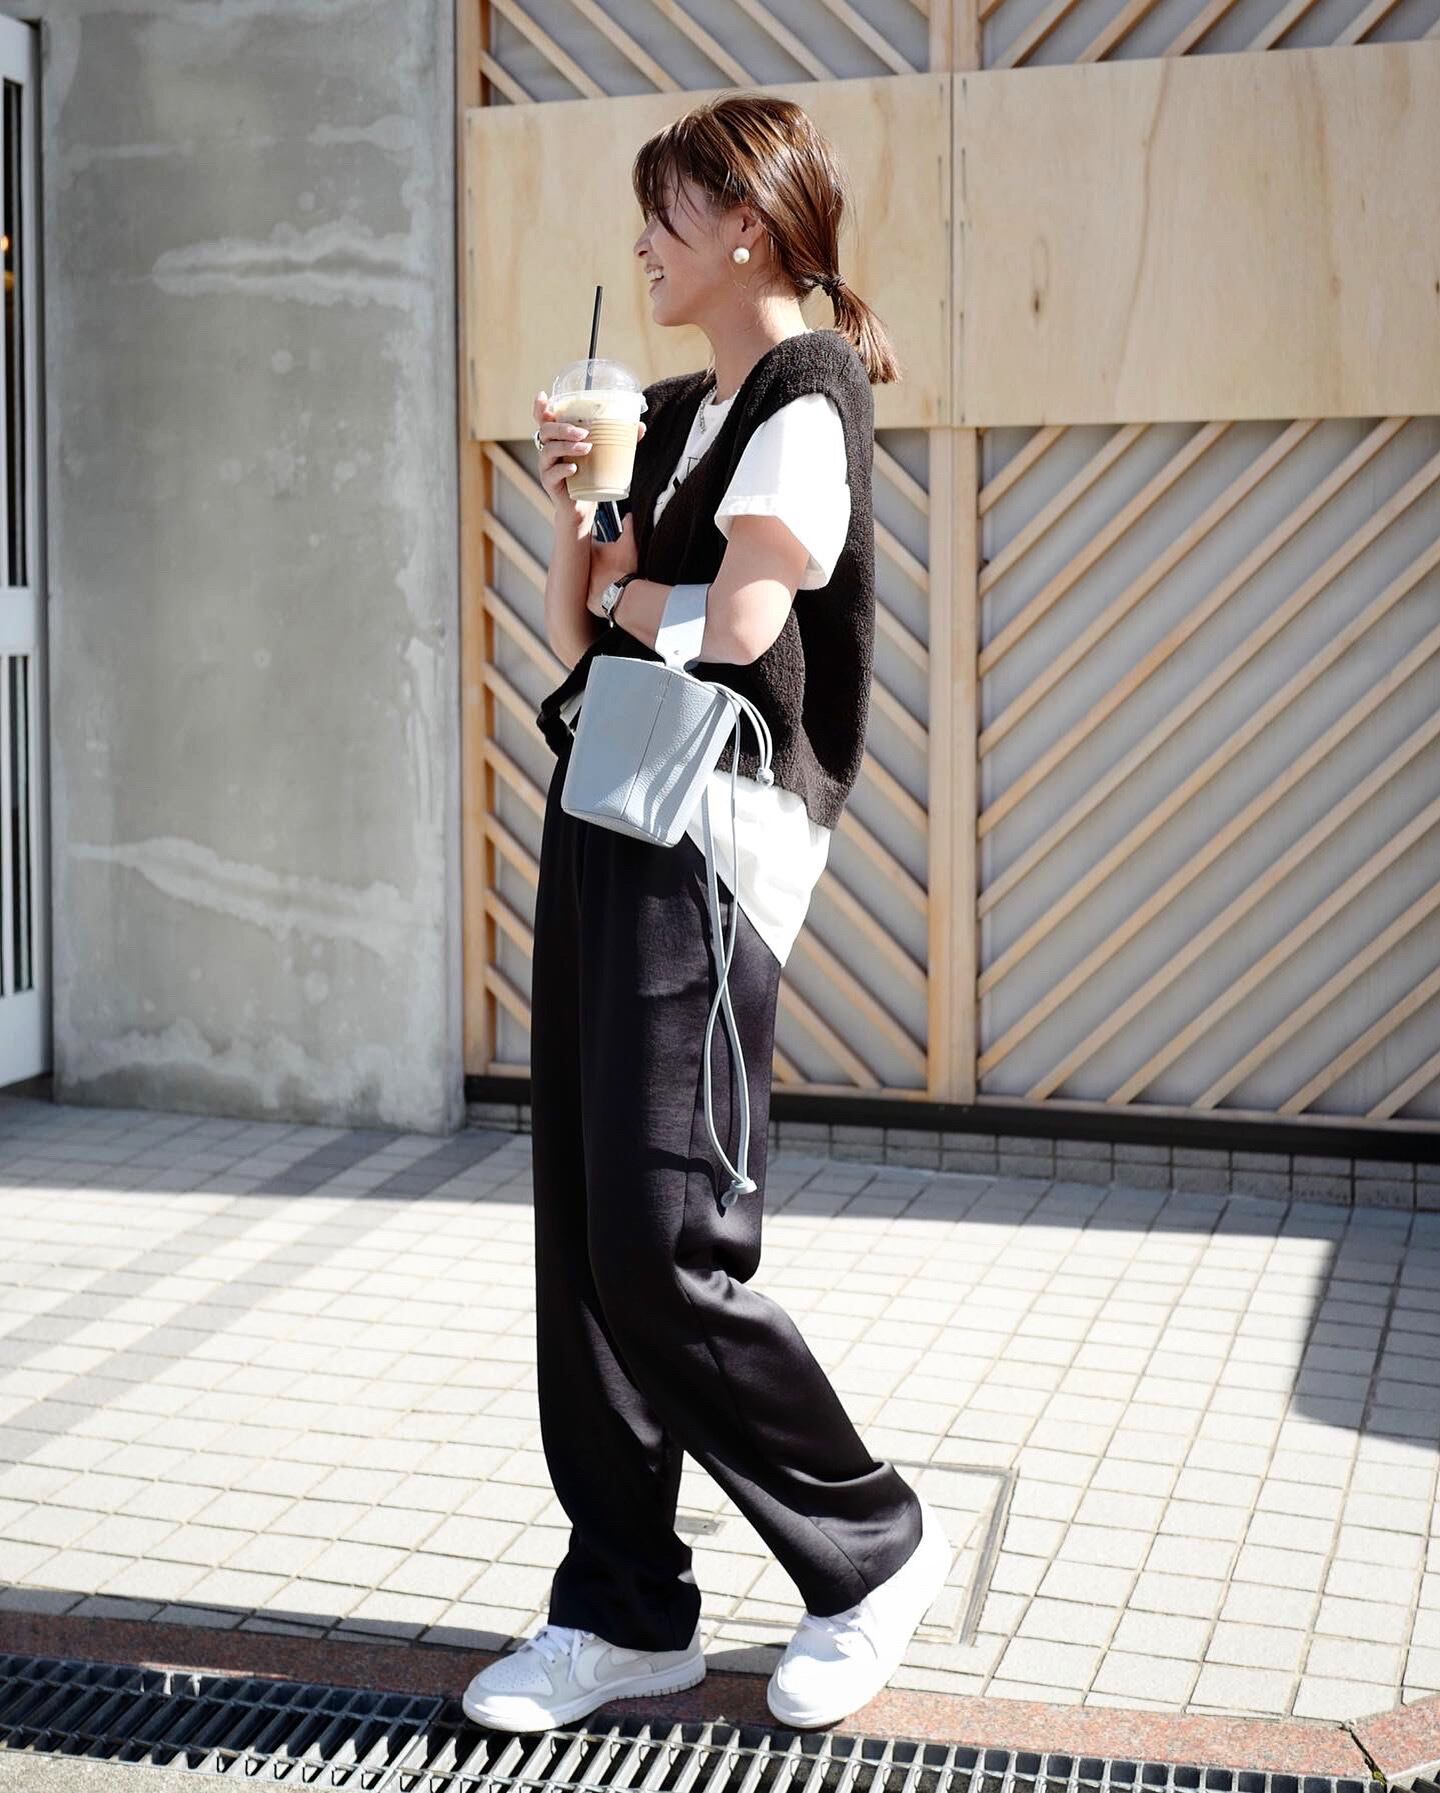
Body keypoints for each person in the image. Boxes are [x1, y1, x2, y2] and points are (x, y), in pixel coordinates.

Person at [463, 93, 952, 1736]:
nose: (643, 244)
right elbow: (581, 622)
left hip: (709, 843)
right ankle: (621, 1610)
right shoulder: (676, 410)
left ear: (747, 223)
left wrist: (628, 587)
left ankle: (873, 1547)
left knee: (666, 1240)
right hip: (612, 806)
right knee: (588, 1237)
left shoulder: (808, 394)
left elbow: (740, 626)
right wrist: (587, 507)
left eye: (664, 213)